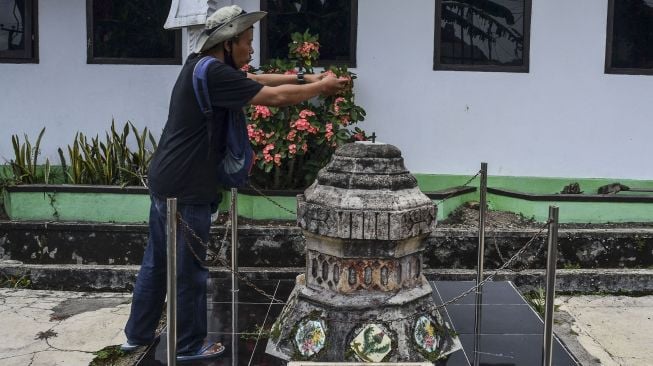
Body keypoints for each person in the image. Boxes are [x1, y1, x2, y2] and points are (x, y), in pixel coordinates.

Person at [121, 4, 349, 362]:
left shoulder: (202, 66)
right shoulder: (214, 74)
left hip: (167, 179)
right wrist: (323, 86)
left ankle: (137, 334)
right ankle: (188, 346)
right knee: (189, 271)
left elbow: (258, 81)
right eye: (247, 41)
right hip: (186, 187)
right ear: (227, 44)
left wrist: (308, 80)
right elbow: (273, 97)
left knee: (158, 261)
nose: (251, 49)